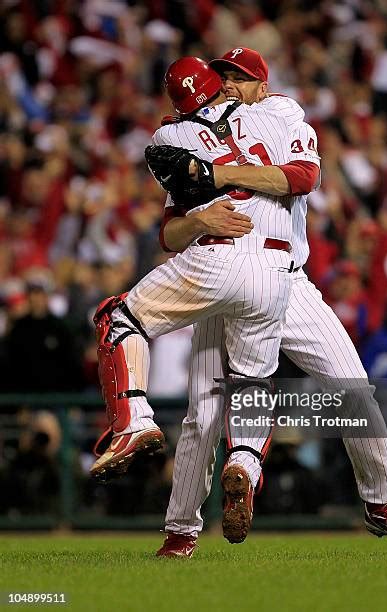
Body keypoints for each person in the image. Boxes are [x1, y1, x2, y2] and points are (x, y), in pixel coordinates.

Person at [153, 48, 387, 558]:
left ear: (262, 85)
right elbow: (169, 232)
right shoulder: (194, 136)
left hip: (289, 279)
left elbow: (302, 177)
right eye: (225, 78)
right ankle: (181, 530)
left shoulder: (279, 115)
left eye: (242, 77)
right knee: (202, 415)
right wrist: (196, 215)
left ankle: (381, 503)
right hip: (224, 279)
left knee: (355, 394)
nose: (231, 85)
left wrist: (218, 175)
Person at [89, 56, 320, 500]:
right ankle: (246, 464)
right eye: (226, 79)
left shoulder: (170, 135)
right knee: (254, 379)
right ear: (219, 86)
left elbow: (170, 222)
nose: (233, 85)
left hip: (216, 259)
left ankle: (134, 419)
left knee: (119, 318)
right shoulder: (273, 113)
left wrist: (210, 180)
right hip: (275, 273)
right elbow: (302, 173)